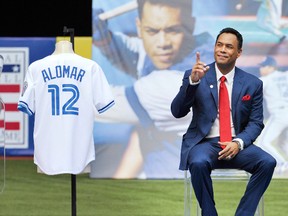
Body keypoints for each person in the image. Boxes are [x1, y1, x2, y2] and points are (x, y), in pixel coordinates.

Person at [91, 0, 215, 178]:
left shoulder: (178, 84)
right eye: (152, 31)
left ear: (191, 25)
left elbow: (95, 103)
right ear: (139, 27)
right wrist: (104, 39)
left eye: (172, 30)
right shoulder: (195, 46)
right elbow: (135, 52)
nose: (162, 43)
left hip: (178, 184)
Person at [171, 27, 276, 215]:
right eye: (219, 45)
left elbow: (256, 123)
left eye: (228, 46)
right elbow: (177, 111)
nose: (222, 50)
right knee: (198, 163)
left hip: (237, 145)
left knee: (267, 162)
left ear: (239, 52)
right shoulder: (195, 74)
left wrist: (238, 143)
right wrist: (192, 83)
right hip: (205, 143)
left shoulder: (253, 83)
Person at [17, 40, 115, 175]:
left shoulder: (36, 67)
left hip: (48, 152)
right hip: (80, 151)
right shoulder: (91, 66)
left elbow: (26, 105)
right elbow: (104, 103)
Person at [257, 55, 288, 175]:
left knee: (263, 143)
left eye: (263, 66)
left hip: (279, 114)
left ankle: (281, 163)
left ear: (271, 67)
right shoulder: (285, 75)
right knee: (283, 143)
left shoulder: (266, 80)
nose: (261, 69)